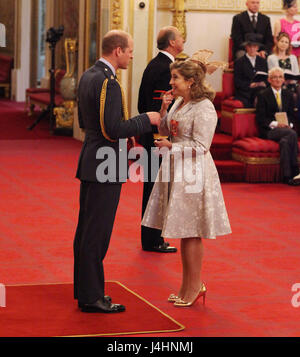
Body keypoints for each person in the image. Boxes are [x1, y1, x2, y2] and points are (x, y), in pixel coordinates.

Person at [73, 30, 161, 313]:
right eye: (131, 50)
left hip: (92, 159)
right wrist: (146, 120)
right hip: (105, 164)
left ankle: (87, 291)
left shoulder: (88, 75)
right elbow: (114, 129)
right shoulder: (108, 82)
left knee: (86, 231)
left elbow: (85, 121)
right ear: (118, 51)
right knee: (96, 234)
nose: (132, 55)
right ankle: (91, 297)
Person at [141, 54, 232, 307]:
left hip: (194, 172)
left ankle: (195, 286)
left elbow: (202, 146)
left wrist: (172, 146)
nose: (171, 82)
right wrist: (163, 109)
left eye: (175, 78)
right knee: (184, 232)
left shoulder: (205, 107)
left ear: (191, 81)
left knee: (192, 232)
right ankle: (186, 287)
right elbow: (164, 130)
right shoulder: (178, 102)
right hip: (176, 168)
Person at [137, 26, 184, 253]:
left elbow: (141, 104)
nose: (183, 40)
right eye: (181, 37)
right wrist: (162, 137)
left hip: (150, 135)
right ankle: (153, 239)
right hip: (158, 138)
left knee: (153, 188)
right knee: (155, 190)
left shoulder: (153, 64)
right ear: (173, 42)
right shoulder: (166, 69)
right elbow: (160, 106)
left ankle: (152, 237)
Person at [256, 67, 300, 185]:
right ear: (269, 80)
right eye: (274, 77)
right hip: (269, 130)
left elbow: (291, 115)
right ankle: (296, 170)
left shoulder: (289, 94)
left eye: (280, 77)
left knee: (285, 142)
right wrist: (277, 124)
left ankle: (287, 176)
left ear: (284, 80)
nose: (277, 79)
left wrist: (288, 124)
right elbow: (261, 118)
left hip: (285, 130)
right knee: (292, 133)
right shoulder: (263, 95)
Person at [234, 33, 269, 107]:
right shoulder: (239, 62)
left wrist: (264, 83)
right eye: (250, 46)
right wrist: (249, 85)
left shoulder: (263, 61)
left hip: (261, 89)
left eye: (254, 46)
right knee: (260, 94)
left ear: (258, 48)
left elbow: (267, 78)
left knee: (265, 93)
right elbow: (237, 81)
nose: (252, 49)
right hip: (246, 92)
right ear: (246, 47)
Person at [274, 0, 300, 66]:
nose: (296, 9)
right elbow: (276, 40)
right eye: (294, 7)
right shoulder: (279, 22)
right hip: (284, 54)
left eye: (296, 7)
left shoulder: (298, 23)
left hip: (298, 54)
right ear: (287, 8)